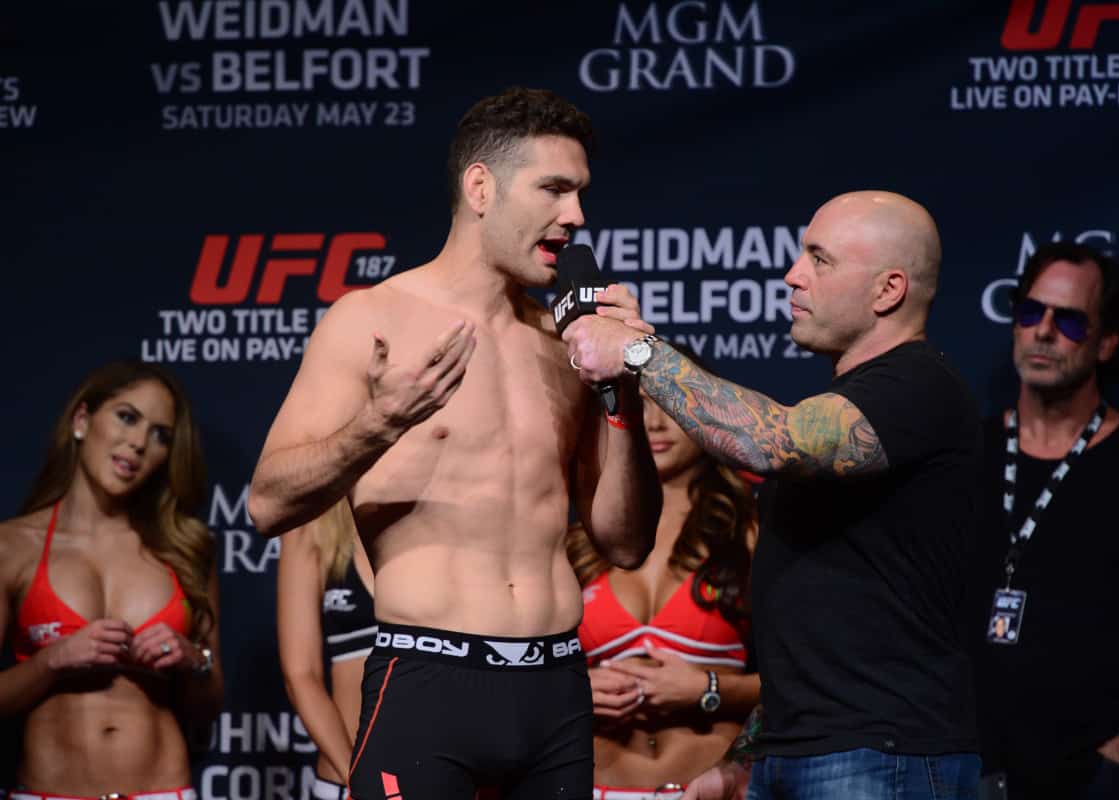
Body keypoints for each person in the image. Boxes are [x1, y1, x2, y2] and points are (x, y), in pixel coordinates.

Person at [248, 86, 662, 800]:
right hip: (429, 679)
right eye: (554, 189)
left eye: (582, 192)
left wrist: (621, 389)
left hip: (557, 685)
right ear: (481, 187)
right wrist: (378, 424)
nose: (577, 217)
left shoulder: (560, 342)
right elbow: (265, 505)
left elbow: (624, 542)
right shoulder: (369, 320)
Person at [564, 191, 981, 800]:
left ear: (888, 290)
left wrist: (634, 350)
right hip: (802, 755)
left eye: (821, 259)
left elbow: (774, 443)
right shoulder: (857, 399)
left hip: (885, 758)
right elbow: (813, 642)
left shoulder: (920, 386)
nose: (792, 275)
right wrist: (744, 759)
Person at [966, 242, 1119, 799]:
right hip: (958, 773)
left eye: (1069, 321)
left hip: (1089, 779)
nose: (1043, 331)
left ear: (1107, 342)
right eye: (1030, 312)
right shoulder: (961, 456)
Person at [0, 360, 222, 798]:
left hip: (162, 791)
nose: (139, 442)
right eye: (127, 416)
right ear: (82, 420)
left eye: (161, 435)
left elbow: (208, 706)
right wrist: (52, 662)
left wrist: (192, 660)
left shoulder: (183, 548)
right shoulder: (11, 546)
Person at [568, 347, 760, 800]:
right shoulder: (579, 543)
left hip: (709, 787)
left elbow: (804, 681)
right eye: (640, 405)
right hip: (594, 785)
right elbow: (512, 676)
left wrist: (711, 688)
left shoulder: (749, 535)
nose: (654, 424)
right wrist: (570, 690)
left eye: (670, 405)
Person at [278, 498, 375, 799]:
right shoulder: (314, 526)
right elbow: (301, 674)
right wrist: (359, 784)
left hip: (438, 778)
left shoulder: (434, 523)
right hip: (347, 782)